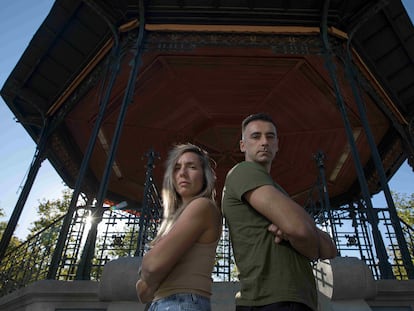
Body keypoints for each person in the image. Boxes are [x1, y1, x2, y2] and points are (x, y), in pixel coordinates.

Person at [222, 113, 337, 311]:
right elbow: (299, 229)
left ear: (277, 144)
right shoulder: (243, 171)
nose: (264, 142)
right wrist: (304, 231)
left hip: (293, 299)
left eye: (270, 136)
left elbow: (330, 250)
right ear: (243, 145)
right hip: (271, 299)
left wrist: (299, 231)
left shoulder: (276, 189)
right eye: (256, 136)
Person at [136, 143, 222, 311]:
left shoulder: (203, 206)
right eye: (177, 168)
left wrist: (151, 274)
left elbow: (151, 266)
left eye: (192, 167)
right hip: (164, 303)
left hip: (183, 302)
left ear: (204, 176)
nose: (182, 173)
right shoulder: (173, 222)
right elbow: (142, 293)